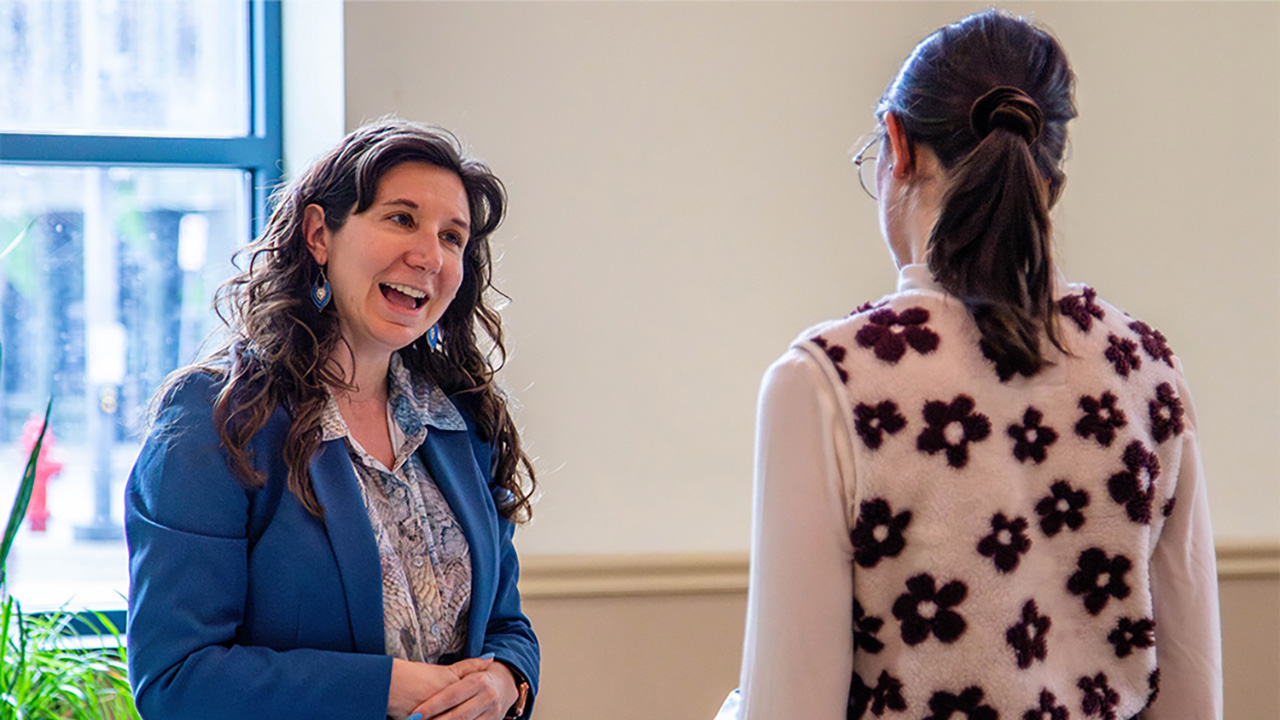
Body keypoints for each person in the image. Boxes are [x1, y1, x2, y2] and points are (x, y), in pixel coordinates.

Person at [725, 10, 1220, 720]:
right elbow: (1193, 696)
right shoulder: (1144, 369)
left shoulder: (826, 382)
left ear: (897, 145)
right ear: (1052, 181)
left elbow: (790, 709)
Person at [125, 119, 539, 720]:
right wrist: (387, 688)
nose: (428, 255)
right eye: (401, 218)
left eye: (452, 236)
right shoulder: (214, 421)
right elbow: (177, 679)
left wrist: (505, 680)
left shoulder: (460, 419)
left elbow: (507, 623)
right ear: (320, 234)